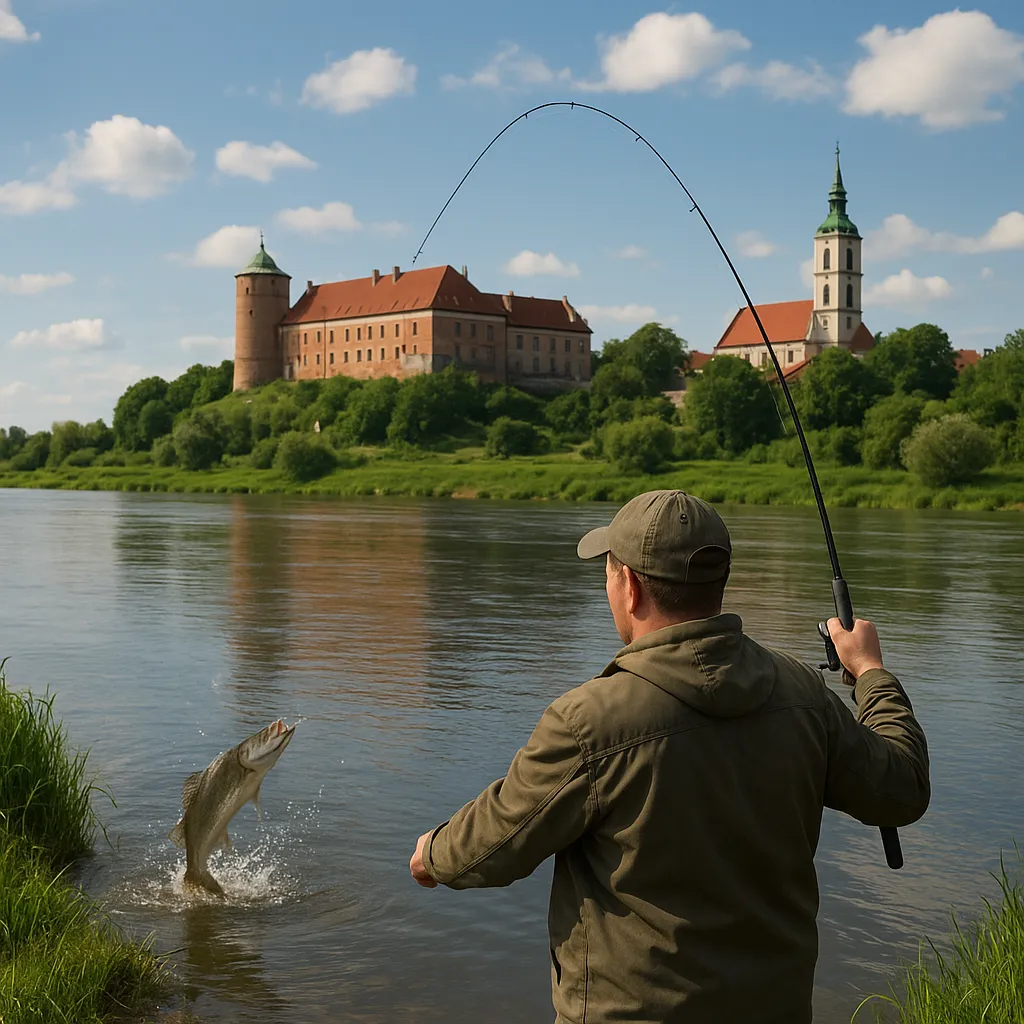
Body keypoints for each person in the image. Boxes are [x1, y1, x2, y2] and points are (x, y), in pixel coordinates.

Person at [409, 489, 930, 1023]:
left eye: (609, 572)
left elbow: (496, 842)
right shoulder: (804, 694)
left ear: (630, 587)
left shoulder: (589, 721)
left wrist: (433, 854)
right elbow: (903, 789)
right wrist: (870, 672)